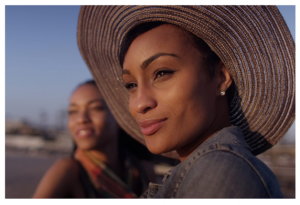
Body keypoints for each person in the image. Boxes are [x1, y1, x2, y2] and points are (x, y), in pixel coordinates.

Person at [77, 6, 295, 198]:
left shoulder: (220, 171)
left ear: (221, 76)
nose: (139, 104)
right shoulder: (200, 171)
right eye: (131, 85)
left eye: (162, 73)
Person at [33, 80, 155, 198]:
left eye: (95, 108)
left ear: (120, 116)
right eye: (73, 111)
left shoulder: (143, 170)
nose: (81, 119)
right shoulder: (69, 171)